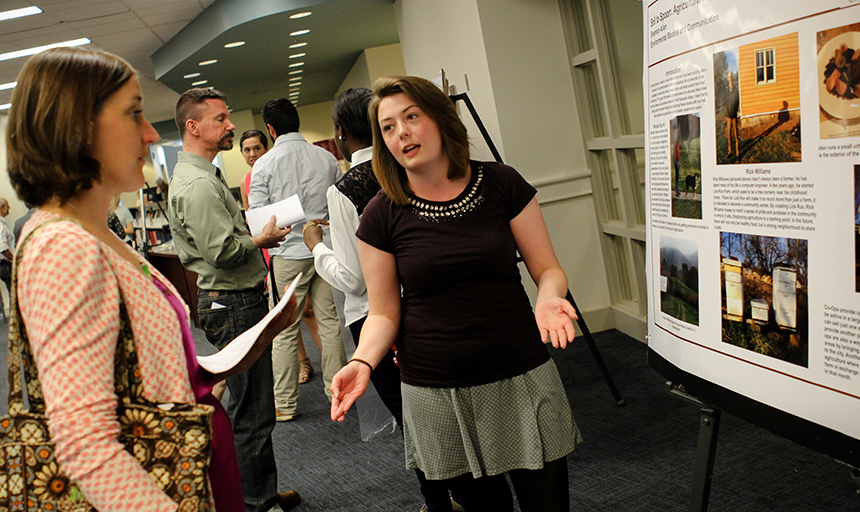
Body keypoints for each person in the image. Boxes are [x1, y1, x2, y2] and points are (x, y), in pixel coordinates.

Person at [5, 46, 297, 511]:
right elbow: (86, 445)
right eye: (134, 114)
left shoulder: (92, 232)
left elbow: (125, 367)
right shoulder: (64, 246)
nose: (148, 133)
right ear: (78, 129)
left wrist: (210, 366)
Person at [330, 76, 583, 512]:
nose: (401, 132)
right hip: (435, 390)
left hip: (519, 370)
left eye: (411, 117)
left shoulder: (502, 184)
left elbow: (548, 270)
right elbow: (385, 312)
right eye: (387, 127)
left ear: (442, 119)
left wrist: (547, 298)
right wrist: (361, 360)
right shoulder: (380, 215)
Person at [302, 87, 456, 511]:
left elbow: (353, 279)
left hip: (376, 318)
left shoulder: (347, 189)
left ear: (339, 133)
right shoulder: (415, 169)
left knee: (415, 421)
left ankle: (441, 501)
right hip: (428, 304)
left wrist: (318, 246)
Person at [167, 87, 301, 511]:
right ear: (193, 127)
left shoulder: (203, 175)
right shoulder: (197, 184)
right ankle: (257, 501)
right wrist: (259, 237)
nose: (229, 125)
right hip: (232, 302)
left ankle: (259, 491)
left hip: (236, 300)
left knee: (254, 408)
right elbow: (222, 252)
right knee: (252, 413)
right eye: (220, 119)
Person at [249, 97, 347, 421]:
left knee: (284, 331)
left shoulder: (263, 165)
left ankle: (286, 405)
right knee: (330, 324)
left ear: (271, 129)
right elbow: (338, 206)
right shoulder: (326, 156)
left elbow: (259, 221)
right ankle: (338, 394)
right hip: (325, 249)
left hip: (288, 254)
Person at [241, 129, 320, 385]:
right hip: (268, 248)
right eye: (246, 150)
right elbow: (251, 216)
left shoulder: (275, 166)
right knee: (285, 311)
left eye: (256, 148)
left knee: (307, 309)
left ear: (266, 147)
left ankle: (325, 362)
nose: (252, 154)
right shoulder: (246, 180)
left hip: (292, 243)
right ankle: (302, 362)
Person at [725, 71, 740, 161]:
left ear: (733, 78)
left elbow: (737, 101)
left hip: (734, 115)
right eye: (729, 77)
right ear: (728, 79)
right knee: (729, 135)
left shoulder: (735, 90)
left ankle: (738, 152)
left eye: (731, 76)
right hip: (728, 115)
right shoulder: (726, 90)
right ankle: (730, 151)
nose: (730, 78)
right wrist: (727, 112)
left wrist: (735, 111)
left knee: (736, 133)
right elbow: (726, 102)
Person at [0, 198, 14, 293]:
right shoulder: (0, 224)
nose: (9, 208)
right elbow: (2, 246)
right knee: (14, 294)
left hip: (3, 264)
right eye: (7, 206)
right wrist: (13, 258)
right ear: (1, 208)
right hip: (5, 264)